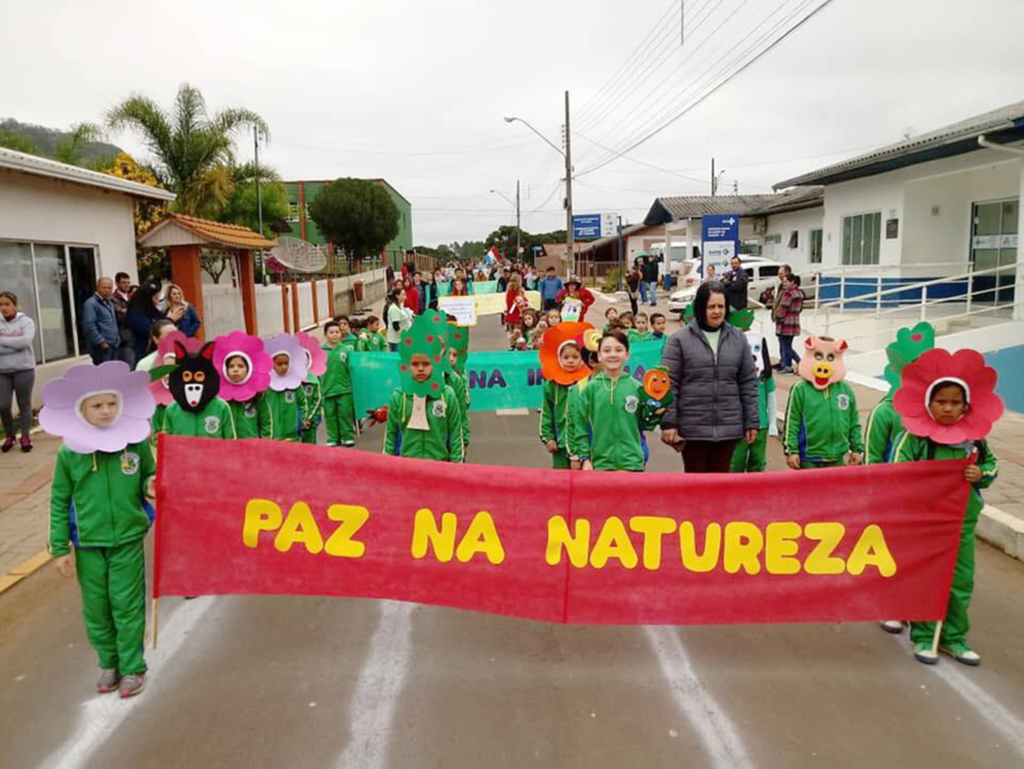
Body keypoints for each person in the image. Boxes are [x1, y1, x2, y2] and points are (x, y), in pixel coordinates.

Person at [43, 362, 156, 698]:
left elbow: (149, 476)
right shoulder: (69, 453)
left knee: (126, 604)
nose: (106, 411)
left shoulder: (134, 443)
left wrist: (152, 486)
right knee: (96, 607)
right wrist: (59, 547)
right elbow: (59, 499)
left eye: (112, 403)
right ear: (82, 409)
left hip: (127, 539)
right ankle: (109, 662)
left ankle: (132, 666)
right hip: (88, 543)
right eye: (97, 405)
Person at [890, 352, 1002, 666]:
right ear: (929, 403)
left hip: (962, 524)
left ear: (965, 405)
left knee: (960, 581)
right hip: (927, 524)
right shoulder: (914, 438)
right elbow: (898, 472)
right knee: (929, 578)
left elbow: (991, 465)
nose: (948, 408)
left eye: (955, 403)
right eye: (942, 402)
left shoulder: (975, 439)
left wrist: (982, 474)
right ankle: (925, 636)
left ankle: (954, 638)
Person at [660, 281, 759, 473]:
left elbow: (748, 383)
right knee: (696, 488)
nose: (716, 311)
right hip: (693, 430)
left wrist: (751, 422)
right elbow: (669, 384)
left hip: (728, 429)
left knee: (721, 487)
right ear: (700, 307)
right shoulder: (679, 340)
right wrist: (669, 423)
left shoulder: (738, 338)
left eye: (720, 306)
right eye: (711, 306)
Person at [569, 330, 659, 472]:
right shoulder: (589, 389)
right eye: (606, 350)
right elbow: (579, 427)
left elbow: (645, 425)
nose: (612, 355)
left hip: (632, 463)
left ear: (627, 354)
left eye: (618, 350)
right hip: (600, 464)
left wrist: (657, 409)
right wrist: (584, 458)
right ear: (599, 355)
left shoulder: (638, 388)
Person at [383, 316, 464, 462]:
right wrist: (387, 466)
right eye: (415, 364)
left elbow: (456, 436)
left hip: (440, 466)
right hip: (408, 467)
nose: (420, 369)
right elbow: (390, 436)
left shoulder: (447, 394)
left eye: (426, 364)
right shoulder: (399, 396)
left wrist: (456, 467)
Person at [782, 335, 863, 469]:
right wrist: (792, 451)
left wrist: (857, 448)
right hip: (809, 457)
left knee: (836, 490)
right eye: (818, 357)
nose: (824, 365)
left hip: (837, 457)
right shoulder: (801, 389)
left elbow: (853, 422)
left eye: (831, 358)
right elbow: (792, 421)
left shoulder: (845, 390)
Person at [539, 323, 592, 469]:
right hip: (560, 445)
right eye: (566, 357)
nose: (570, 361)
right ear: (559, 358)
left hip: (585, 446)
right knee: (560, 483)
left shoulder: (589, 384)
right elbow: (546, 412)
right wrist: (548, 437)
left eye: (575, 357)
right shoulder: (551, 385)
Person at [161, 342, 236, 439]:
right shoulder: (172, 409)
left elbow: (230, 441)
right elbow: (166, 443)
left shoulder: (221, 407)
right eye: (187, 376)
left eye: (199, 376)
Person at [729, 332, 777, 472]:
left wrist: (773, 423)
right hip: (739, 426)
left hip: (761, 425)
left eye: (756, 348)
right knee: (736, 461)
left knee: (758, 461)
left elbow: (772, 399)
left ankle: (755, 491)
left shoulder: (765, 377)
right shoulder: (734, 375)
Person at [0, 291, 36, 453]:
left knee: (24, 404)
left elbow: (25, 342)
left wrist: (2, 342)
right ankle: (10, 435)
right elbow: (19, 344)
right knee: (3, 405)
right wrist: (15, 344)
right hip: (3, 371)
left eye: (7, 304)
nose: (4, 308)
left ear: (15, 305)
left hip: (24, 369)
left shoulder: (26, 322)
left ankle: (25, 436)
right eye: (0, 305)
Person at [259, 336, 308, 442]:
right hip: (273, 436)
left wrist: (302, 420)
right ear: (272, 365)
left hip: (293, 435)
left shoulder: (295, 383)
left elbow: (302, 403)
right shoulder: (265, 385)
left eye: (286, 363)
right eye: (279, 364)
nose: (283, 367)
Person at [321, 318, 359, 447]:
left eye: (337, 332)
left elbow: (353, 368)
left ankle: (347, 436)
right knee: (330, 415)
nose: (335, 334)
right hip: (327, 389)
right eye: (331, 332)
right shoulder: (321, 352)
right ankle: (333, 438)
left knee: (345, 414)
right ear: (325, 334)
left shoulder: (346, 350)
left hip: (344, 388)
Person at [82, 277, 120, 365]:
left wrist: (117, 338)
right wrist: (101, 342)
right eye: (104, 287)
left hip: (113, 345)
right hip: (102, 348)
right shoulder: (91, 303)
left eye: (109, 288)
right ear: (98, 288)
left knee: (113, 373)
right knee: (104, 375)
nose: (107, 290)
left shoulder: (109, 302)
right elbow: (89, 325)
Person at [125, 283, 166, 363]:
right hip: (139, 348)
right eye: (155, 297)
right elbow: (147, 328)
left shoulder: (151, 309)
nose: (157, 300)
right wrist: (170, 319)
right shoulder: (137, 310)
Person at [775, 274, 805, 373]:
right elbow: (800, 308)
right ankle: (797, 362)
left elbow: (783, 308)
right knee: (788, 344)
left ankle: (789, 365)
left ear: (792, 282)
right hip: (794, 322)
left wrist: (778, 317)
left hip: (785, 323)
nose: (784, 284)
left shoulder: (789, 294)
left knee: (785, 345)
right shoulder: (800, 293)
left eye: (786, 282)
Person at [112, 272, 135, 368]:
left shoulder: (132, 297)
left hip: (135, 335)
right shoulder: (113, 299)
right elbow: (120, 317)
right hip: (124, 338)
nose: (127, 285)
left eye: (128, 283)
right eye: (124, 283)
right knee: (128, 365)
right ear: (117, 284)